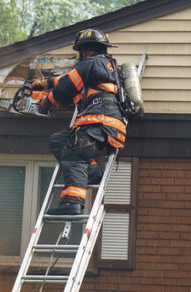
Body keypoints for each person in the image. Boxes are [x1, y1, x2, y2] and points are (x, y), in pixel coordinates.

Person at [33, 28, 127, 215]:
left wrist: (44, 103)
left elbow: (66, 88)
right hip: (108, 126)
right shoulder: (107, 67)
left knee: (74, 156)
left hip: (97, 122)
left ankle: (72, 203)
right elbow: (67, 81)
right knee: (59, 141)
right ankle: (92, 173)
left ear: (86, 51)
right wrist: (45, 84)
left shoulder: (90, 64)